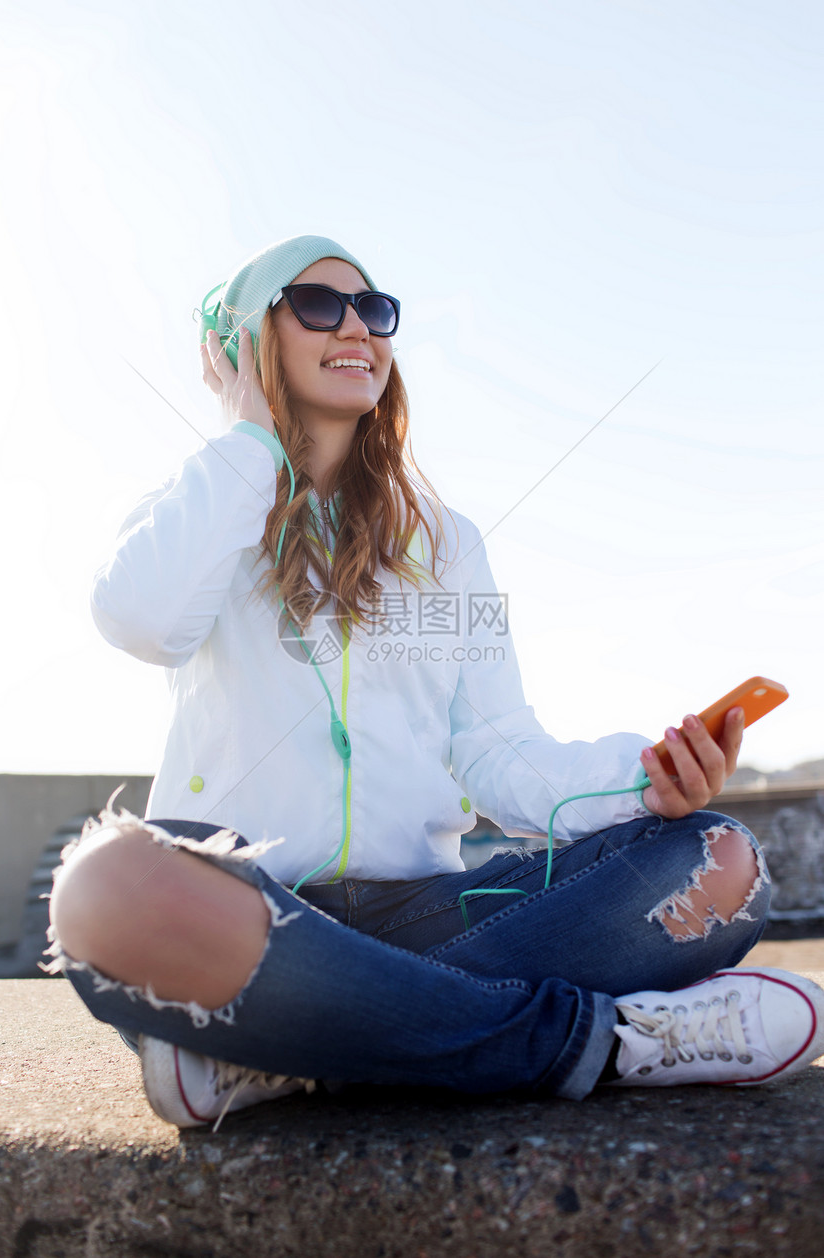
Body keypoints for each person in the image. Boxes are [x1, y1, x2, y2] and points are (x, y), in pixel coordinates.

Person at [48, 235, 824, 1129]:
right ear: (245, 343)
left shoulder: (448, 543)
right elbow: (141, 618)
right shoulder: (205, 501)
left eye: (374, 311)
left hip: (430, 916)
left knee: (719, 861)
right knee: (102, 885)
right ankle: (608, 1044)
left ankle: (288, 1050)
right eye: (315, 304)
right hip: (251, 919)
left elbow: (495, 747)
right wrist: (251, 439)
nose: (356, 327)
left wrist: (645, 781)